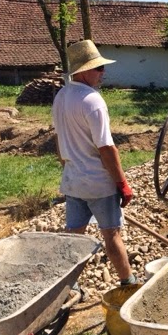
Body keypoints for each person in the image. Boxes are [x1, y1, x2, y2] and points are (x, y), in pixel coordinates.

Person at [52, 39, 137, 286]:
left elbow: (58, 140)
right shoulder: (92, 100)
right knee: (112, 234)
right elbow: (106, 148)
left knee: (74, 237)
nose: (103, 72)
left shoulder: (61, 96)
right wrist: (122, 184)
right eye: (98, 68)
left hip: (73, 181)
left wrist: (68, 167)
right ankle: (128, 283)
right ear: (84, 71)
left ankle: (66, 286)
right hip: (99, 184)